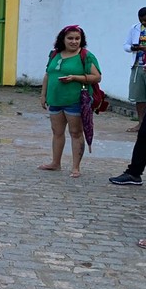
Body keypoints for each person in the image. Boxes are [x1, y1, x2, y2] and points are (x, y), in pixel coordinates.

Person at [39, 25, 102, 179]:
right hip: (55, 99)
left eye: (77, 39)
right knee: (57, 132)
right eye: (70, 38)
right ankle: (55, 162)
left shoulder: (86, 56)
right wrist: (43, 94)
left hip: (75, 100)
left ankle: (75, 167)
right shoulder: (55, 54)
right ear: (63, 39)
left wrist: (75, 78)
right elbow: (48, 74)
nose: (74, 41)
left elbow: (97, 77)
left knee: (75, 132)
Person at [123, 7, 146, 132]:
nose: (144, 23)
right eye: (142, 20)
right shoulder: (134, 28)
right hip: (137, 66)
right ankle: (141, 124)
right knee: (139, 98)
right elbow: (125, 46)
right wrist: (133, 48)